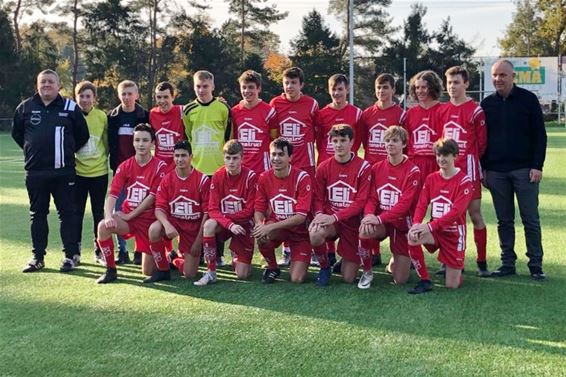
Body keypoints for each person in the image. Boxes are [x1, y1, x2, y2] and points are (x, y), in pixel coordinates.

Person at [13, 69, 89, 273]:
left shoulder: (70, 107)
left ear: (58, 85)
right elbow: (19, 135)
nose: (47, 85)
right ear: (37, 85)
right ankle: (38, 257)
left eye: (51, 82)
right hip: (36, 173)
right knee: (37, 214)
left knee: (68, 214)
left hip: (63, 172)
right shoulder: (25, 107)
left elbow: (82, 135)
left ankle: (70, 256)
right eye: (43, 82)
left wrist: (64, 152)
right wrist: (35, 151)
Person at [480, 59, 547, 280]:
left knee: (530, 219)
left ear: (513, 77)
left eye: (503, 75)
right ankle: (507, 262)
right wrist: (484, 169)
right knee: (504, 220)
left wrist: (537, 166)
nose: (498, 79)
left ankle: (535, 265)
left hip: (525, 170)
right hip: (496, 172)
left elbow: (540, 135)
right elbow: (481, 140)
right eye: (495, 75)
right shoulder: (487, 104)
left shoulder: (528, 100)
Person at [95, 124, 167, 284]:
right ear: (133, 143)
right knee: (102, 227)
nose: (141, 144)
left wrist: (128, 215)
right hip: (129, 220)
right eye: (137, 140)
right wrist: (108, 216)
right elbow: (112, 193)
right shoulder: (125, 165)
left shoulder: (160, 166)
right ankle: (111, 270)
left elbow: (151, 197)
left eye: (145, 140)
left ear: (153, 143)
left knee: (148, 271)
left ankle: (167, 259)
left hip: (149, 221)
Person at [439, 66, 489, 277]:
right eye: (449, 83)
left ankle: (481, 261)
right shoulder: (442, 110)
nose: (452, 87)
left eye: (457, 82)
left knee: (474, 214)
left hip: (468, 168)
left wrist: (474, 165)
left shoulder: (475, 110)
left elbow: (483, 143)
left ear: (466, 84)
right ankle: (448, 260)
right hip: (447, 170)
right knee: (447, 214)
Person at [407, 138, 473, 294]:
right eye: (438, 155)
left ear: (455, 156)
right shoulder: (431, 178)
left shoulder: (464, 181)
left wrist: (428, 226)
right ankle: (425, 280)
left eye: (446, 155)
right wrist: (416, 224)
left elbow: (456, 213)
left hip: (454, 235)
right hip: (435, 231)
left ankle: (454, 268)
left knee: (451, 285)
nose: (441, 159)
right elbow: (422, 204)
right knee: (412, 237)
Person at [309, 124, 372, 287]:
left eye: (343, 140)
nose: (338, 145)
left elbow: (360, 202)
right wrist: (318, 215)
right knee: (315, 233)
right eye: (335, 141)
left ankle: (346, 257)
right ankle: (324, 268)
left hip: (352, 224)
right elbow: (318, 198)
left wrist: (334, 217)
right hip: (332, 220)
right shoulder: (323, 167)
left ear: (352, 142)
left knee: (348, 278)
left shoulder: (363, 167)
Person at [359, 126, 421, 286]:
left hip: (401, 224)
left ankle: (396, 259)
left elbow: (404, 205)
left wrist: (378, 218)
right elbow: (371, 198)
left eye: (395, 140)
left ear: (404, 144)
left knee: (400, 280)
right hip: (382, 222)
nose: (390, 144)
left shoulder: (413, 170)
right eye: (387, 141)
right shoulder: (376, 168)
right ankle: (367, 271)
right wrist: (368, 216)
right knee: (365, 230)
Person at [269, 67, 319, 266]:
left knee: (308, 208)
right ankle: (287, 251)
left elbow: (318, 130)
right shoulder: (275, 103)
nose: (290, 87)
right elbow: (272, 133)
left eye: (294, 83)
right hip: (283, 166)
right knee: (284, 205)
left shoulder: (312, 104)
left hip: (306, 164)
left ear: (301, 85)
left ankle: (313, 249)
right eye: (286, 83)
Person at [182, 70, 231, 265]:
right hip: (197, 170)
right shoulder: (188, 110)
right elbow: (188, 136)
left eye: (205, 86)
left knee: (216, 213)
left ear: (213, 86)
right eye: (198, 86)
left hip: (218, 170)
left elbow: (229, 137)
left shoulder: (223, 108)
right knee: (197, 213)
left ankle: (217, 254)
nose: (201, 90)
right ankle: (199, 252)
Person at [358, 73, 406, 268]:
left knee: (396, 206)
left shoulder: (401, 114)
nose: (381, 91)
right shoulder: (367, 114)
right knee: (372, 207)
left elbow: (405, 141)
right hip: (373, 169)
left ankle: (402, 251)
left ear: (393, 90)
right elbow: (363, 140)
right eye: (378, 87)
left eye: (386, 87)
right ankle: (373, 253)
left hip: (395, 169)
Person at [148, 140, 210, 283]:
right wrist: (167, 225)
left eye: (183, 155)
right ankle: (163, 269)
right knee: (154, 229)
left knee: (189, 274)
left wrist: (198, 241)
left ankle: (174, 259)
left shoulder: (202, 180)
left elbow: (207, 213)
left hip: (193, 229)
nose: (180, 159)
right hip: (174, 223)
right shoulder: (167, 179)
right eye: (176, 156)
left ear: (191, 157)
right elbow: (159, 208)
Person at [253, 138, 313, 284]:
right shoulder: (264, 177)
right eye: (273, 154)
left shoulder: (302, 177)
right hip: (278, 227)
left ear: (290, 157)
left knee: (296, 279)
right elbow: (259, 208)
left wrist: (270, 226)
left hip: (300, 232)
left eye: (281, 154)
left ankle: (301, 257)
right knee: (261, 234)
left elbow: (300, 217)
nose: (276, 158)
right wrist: (261, 225)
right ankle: (272, 267)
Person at [198, 140, 257, 285]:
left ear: (242, 159)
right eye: (228, 158)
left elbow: (249, 211)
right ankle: (211, 272)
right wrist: (229, 224)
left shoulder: (250, 176)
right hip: (227, 224)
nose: (231, 162)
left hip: (243, 226)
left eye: (235, 158)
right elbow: (212, 209)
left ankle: (236, 254)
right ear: (223, 158)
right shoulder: (218, 176)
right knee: (209, 225)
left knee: (243, 275)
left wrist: (227, 219)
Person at [108, 80, 149, 265]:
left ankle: (139, 250)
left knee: (141, 211)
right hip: (120, 170)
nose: (126, 97)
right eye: (123, 94)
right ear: (119, 96)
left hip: (141, 171)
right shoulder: (112, 117)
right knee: (118, 209)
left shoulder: (144, 116)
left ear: (136, 95)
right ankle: (121, 250)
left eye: (130, 93)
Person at [74, 81, 109, 266]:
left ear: (94, 98)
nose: (85, 100)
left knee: (98, 213)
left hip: (99, 173)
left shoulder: (102, 116)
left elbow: (106, 143)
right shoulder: (72, 115)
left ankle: (100, 251)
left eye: (88, 96)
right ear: (76, 97)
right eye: (81, 96)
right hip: (78, 173)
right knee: (76, 212)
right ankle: (75, 251)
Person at [231, 70, 278, 175]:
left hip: (263, 169)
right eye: (244, 87)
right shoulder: (234, 112)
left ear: (259, 88)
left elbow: (274, 139)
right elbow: (233, 140)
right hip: (240, 169)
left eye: (251, 87)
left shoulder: (269, 111)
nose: (247, 91)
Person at [402, 70, 444, 179]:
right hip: (415, 163)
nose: (419, 91)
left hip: (437, 163)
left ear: (432, 88)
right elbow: (406, 142)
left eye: (423, 87)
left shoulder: (443, 111)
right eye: (417, 87)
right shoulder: (410, 113)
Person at [149, 81, 186, 171]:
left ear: (173, 97)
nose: (162, 101)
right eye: (159, 97)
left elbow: (201, 106)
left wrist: (217, 100)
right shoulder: (152, 114)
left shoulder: (183, 111)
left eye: (166, 97)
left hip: (179, 167)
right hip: (159, 167)